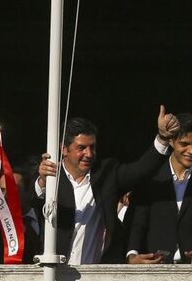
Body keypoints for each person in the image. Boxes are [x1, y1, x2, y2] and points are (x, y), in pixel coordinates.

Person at [34, 106, 179, 265]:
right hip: (55, 276)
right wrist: (42, 181)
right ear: (64, 149)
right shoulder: (51, 176)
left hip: (98, 280)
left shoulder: (106, 172)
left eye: (92, 147)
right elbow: (29, 202)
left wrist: (163, 138)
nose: (89, 154)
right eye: (81, 148)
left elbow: (141, 169)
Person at [124, 112, 192, 268]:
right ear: (171, 142)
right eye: (184, 144)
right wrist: (132, 255)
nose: (191, 151)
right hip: (155, 270)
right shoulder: (151, 177)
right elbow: (138, 222)